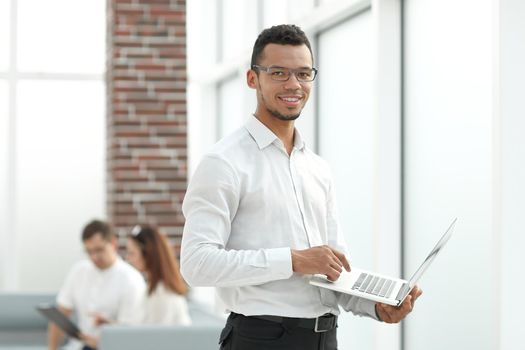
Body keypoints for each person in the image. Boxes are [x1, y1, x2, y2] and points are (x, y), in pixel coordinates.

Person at [180, 24, 423, 350]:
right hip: (261, 340)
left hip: (324, 338)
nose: (293, 84)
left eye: (303, 73)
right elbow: (196, 265)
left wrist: (376, 307)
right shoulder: (224, 162)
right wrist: (293, 260)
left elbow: (333, 270)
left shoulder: (317, 168)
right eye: (279, 72)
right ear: (253, 79)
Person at [48, 219, 146, 350]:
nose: (94, 257)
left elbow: (128, 333)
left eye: (99, 250)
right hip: (78, 346)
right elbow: (60, 315)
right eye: (89, 251)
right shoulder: (79, 271)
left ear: (113, 244)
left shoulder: (131, 279)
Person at [124, 225, 191, 325]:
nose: (128, 259)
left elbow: (154, 336)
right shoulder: (154, 288)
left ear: (148, 254)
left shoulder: (162, 293)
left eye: (132, 253)